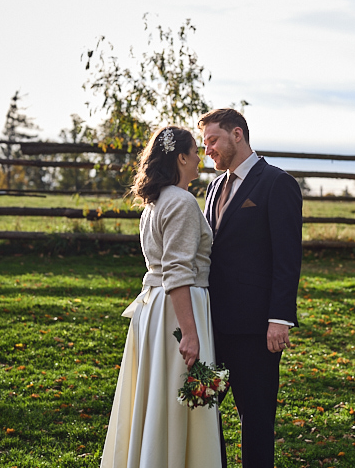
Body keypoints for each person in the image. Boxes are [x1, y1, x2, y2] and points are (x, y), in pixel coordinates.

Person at [100, 126, 222, 468]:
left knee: (159, 392)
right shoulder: (181, 201)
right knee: (174, 396)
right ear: (181, 158)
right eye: (195, 152)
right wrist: (190, 333)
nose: (199, 159)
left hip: (155, 306)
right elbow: (177, 271)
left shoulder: (153, 203)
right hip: (178, 308)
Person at [199, 108, 302, 468]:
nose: (207, 149)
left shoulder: (277, 183)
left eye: (212, 140)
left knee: (256, 419)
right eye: (204, 143)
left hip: (256, 330)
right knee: (203, 411)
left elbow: (287, 258)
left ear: (237, 134)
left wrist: (280, 319)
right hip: (213, 326)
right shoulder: (214, 186)